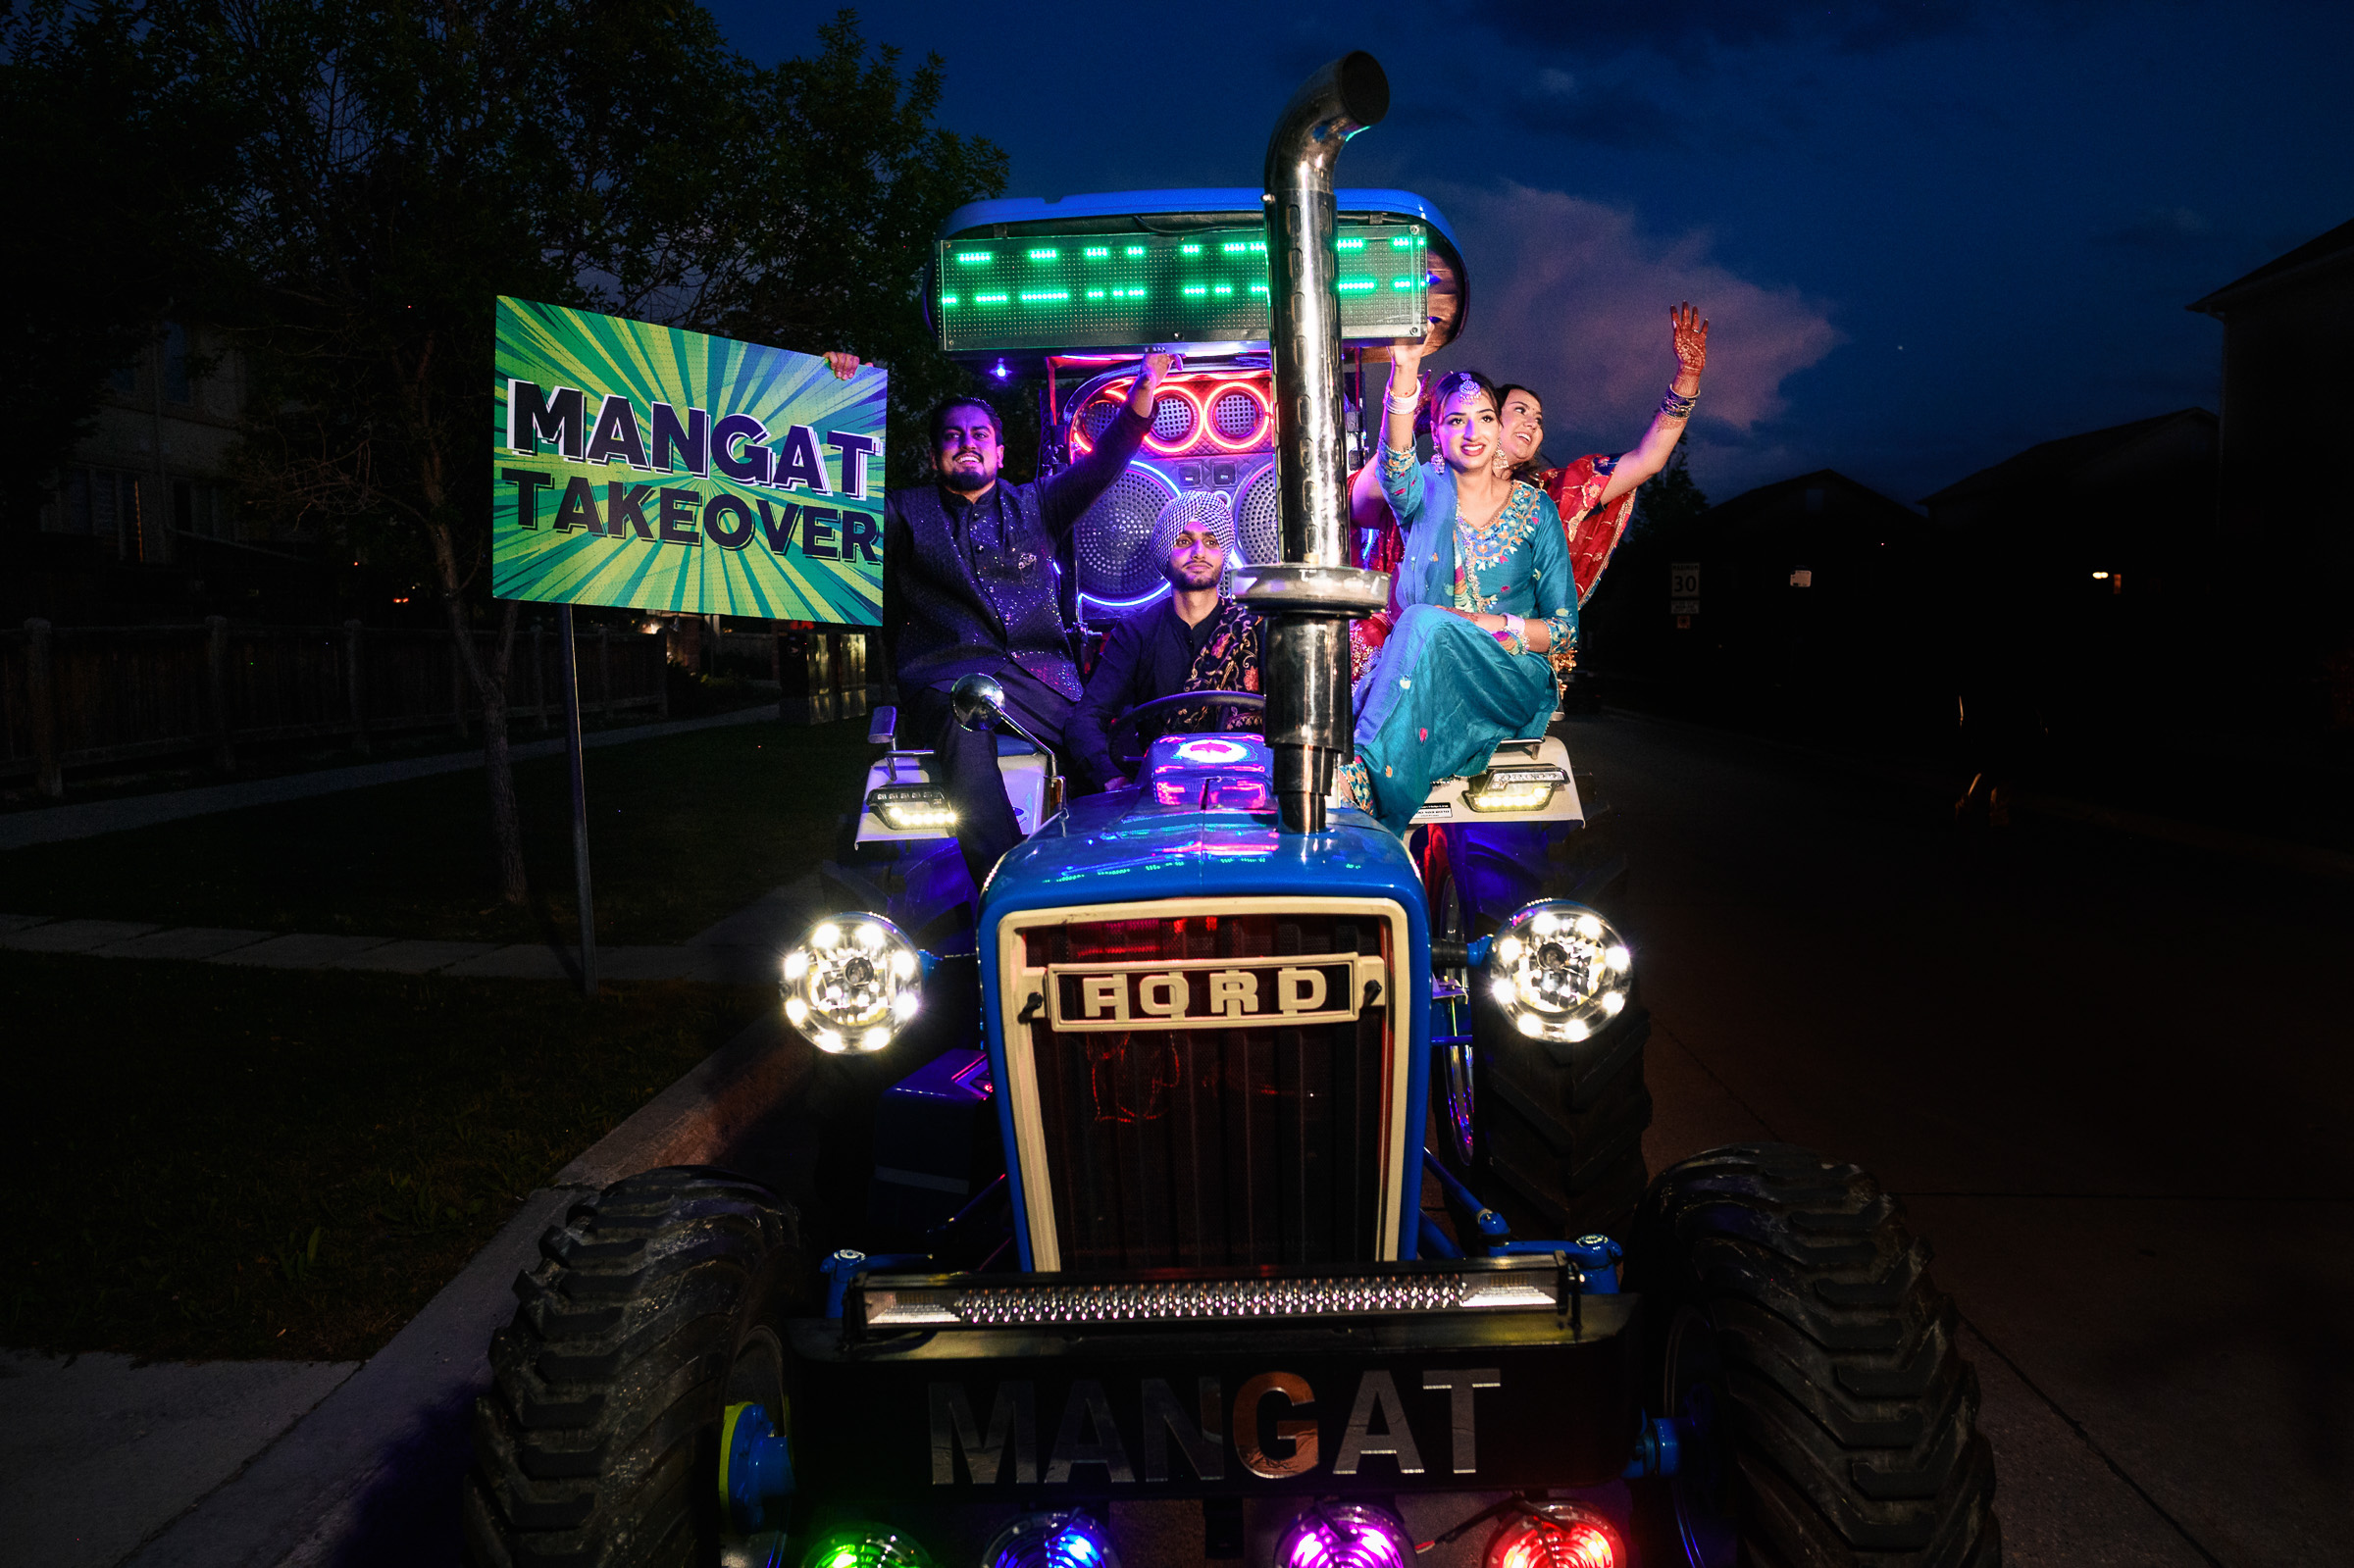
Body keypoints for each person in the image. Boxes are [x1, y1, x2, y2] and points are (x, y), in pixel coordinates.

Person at [883, 352, 1181, 886]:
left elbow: (1105, 461)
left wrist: (1144, 386)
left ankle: (1122, 885)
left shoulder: (1037, 505)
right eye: (952, 436)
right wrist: (833, 389)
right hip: (946, 680)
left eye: (979, 434)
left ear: (999, 450)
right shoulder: (901, 513)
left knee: (1098, 745)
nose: (967, 442)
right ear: (934, 457)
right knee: (964, 711)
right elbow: (824, 501)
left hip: (1039, 679)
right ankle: (1011, 883)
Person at [1333, 359, 1577, 834]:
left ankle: (1363, 781)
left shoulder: (1536, 510)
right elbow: (1394, 461)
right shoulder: (1423, 493)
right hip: (1428, 672)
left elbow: (1565, 630)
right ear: (1436, 433)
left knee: (1423, 621)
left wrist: (1482, 626)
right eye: (1455, 419)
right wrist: (1404, 368)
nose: (1473, 431)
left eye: (1486, 417)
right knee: (1412, 634)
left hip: (1507, 675)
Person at [1492, 303, 1711, 602]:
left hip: (1525, 643)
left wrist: (1688, 377)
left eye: (1539, 419)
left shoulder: (1556, 493)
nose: (1532, 423)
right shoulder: (1445, 487)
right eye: (1520, 410)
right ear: (1486, 417)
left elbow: (1648, 460)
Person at [1069, 495, 1262, 790]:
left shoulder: (1256, 627)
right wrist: (1113, 779)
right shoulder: (1136, 632)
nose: (1199, 552)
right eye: (1184, 541)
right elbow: (1085, 721)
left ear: (1224, 552)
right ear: (1164, 551)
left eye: (1211, 542)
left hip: (1250, 789)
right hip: (1165, 794)